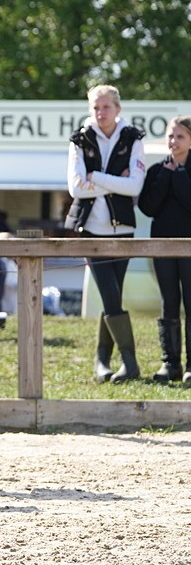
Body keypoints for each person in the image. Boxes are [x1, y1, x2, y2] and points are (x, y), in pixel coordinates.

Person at [65, 84, 145, 383]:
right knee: (110, 294)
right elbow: (75, 188)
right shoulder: (79, 138)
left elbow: (135, 186)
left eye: (106, 107)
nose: (100, 113)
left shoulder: (132, 138)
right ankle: (128, 362)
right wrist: (116, 181)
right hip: (90, 230)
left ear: (118, 109)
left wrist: (95, 177)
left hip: (123, 228)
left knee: (114, 296)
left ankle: (102, 360)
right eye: (95, 107)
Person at [138, 115, 191, 383]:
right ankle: (170, 364)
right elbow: (147, 207)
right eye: (171, 136)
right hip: (162, 246)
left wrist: (179, 175)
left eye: (180, 136)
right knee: (169, 303)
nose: (173, 141)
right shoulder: (157, 171)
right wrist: (165, 177)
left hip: (189, 248)